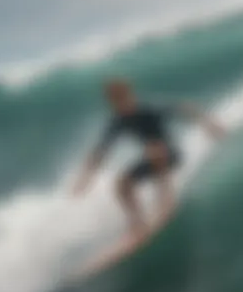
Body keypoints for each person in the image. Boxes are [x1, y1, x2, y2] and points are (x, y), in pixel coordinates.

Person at [73, 78, 225, 241]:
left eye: (122, 99)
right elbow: (101, 150)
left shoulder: (148, 110)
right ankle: (138, 221)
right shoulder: (118, 121)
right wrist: (86, 178)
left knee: (154, 150)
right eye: (115, 102)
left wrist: (210, 125)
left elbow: (185, 107)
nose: (121, 106)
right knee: (121, 184)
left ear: (130, 96)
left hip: (172, 155)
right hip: (153, 159)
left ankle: (166, 197)